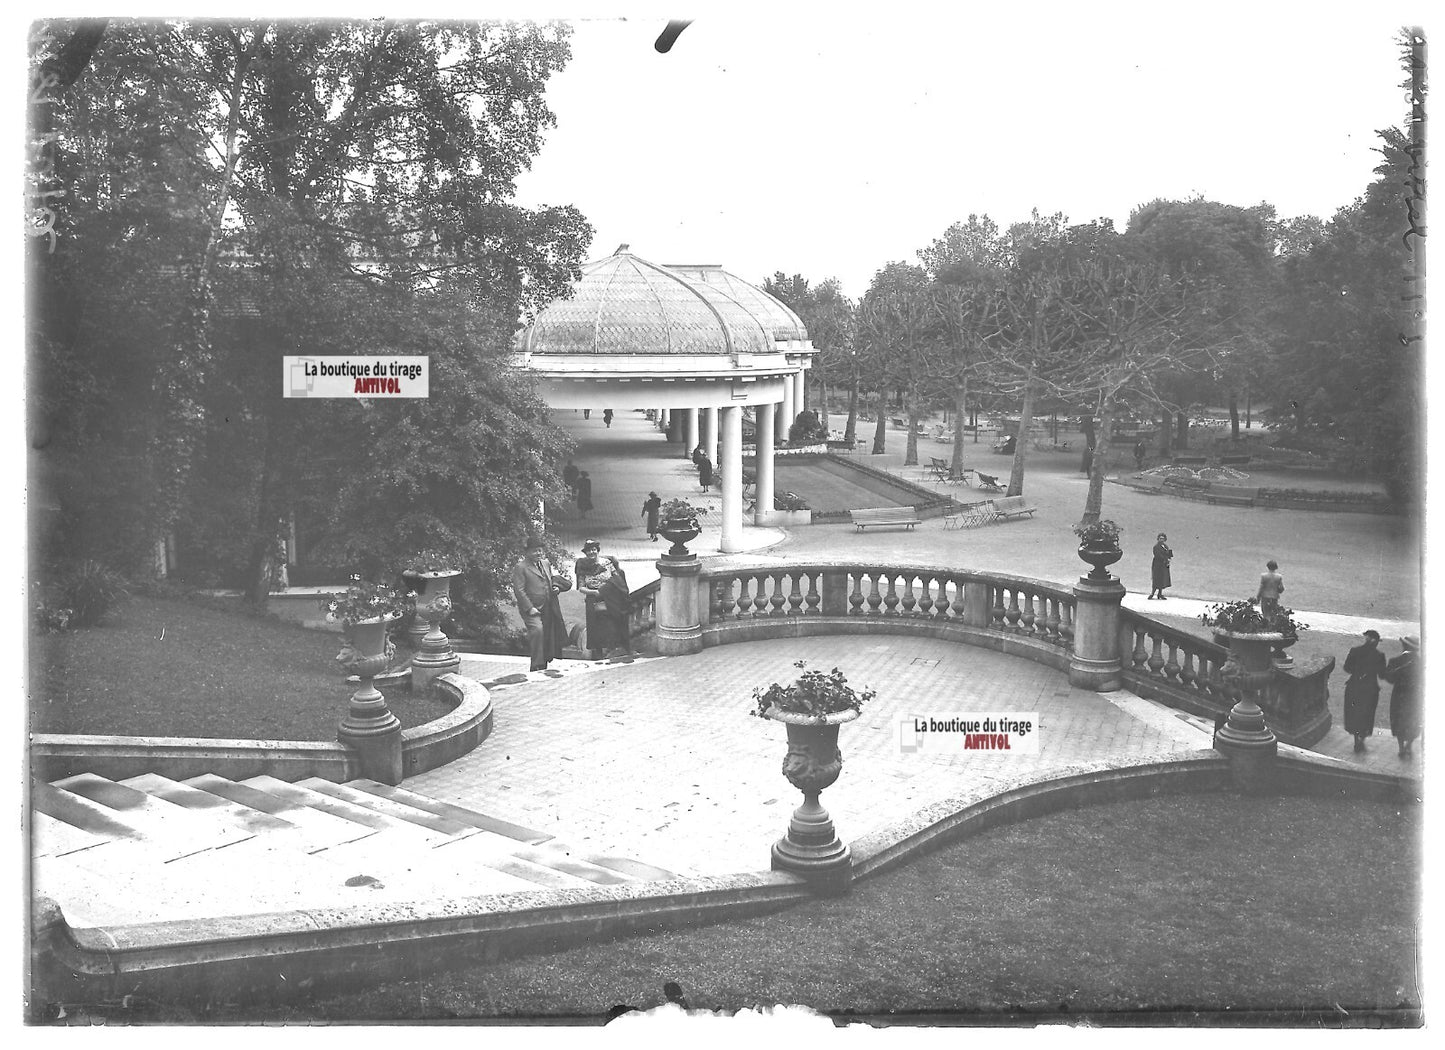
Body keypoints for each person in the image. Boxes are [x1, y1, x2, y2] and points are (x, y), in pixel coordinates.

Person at [510, 532, 572, 671]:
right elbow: (519, 590)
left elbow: (548, 580)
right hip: (532, 608)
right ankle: (536, 665)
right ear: (527, 552)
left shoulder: (545, 563)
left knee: (549, 633)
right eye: (534, 551)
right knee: (538, 631)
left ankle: (544, 663)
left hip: (548, 606)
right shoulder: (521, 567)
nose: (538, 553)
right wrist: (530, 608)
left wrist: (555, 588)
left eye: (540, 550)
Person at [574, 539, 623, 660]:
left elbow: (617, 579)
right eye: (589, 550)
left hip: (608, 598)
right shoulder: (582, 566)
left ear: (598, 550)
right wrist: (594, 592)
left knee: (610, 625)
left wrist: (608, 589)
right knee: (595, 629)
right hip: (592, 599)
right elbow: (581, 588)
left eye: (594, 549)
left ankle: (611, 652)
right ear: (586, 553)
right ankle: (598, 655)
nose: (592, 552)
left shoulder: (607, 563)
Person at [1343, 629, 1387, 752]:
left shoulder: (1355, 651)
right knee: (1367, 714)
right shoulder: (1379, 655)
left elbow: (1347, 668)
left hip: (1354, 686)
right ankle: (1362, 739)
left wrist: (1358, 672)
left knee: (1354, 712)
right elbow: (1382, 675)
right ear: (1376, 642)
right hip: (1370, 689)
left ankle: (1356, 739)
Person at [1384, 635, 1420, 759]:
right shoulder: (1421, 662)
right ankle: (1408, 745)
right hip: (1414, 697)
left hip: (1399, 696)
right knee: (1414, 721)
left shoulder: (1395, 660)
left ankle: (1401, 748)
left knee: (1399, 720)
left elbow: (1388, 677)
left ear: (1404, 646)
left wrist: (1401, 669)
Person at [1148, 533, 1172, 600]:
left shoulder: (1165, 546)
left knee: (1162, 579)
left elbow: (1169, 553)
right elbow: (1158, 555)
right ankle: (1152, 593)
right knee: (1156, 579)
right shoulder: (1156, 547)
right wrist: (1165, 559)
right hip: (1157, 565)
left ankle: (1160, 594)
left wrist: (1169, 559)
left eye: (1163, 538)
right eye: (1160, 538)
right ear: (1158, 539)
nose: (1161, 540)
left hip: (1164, 565)